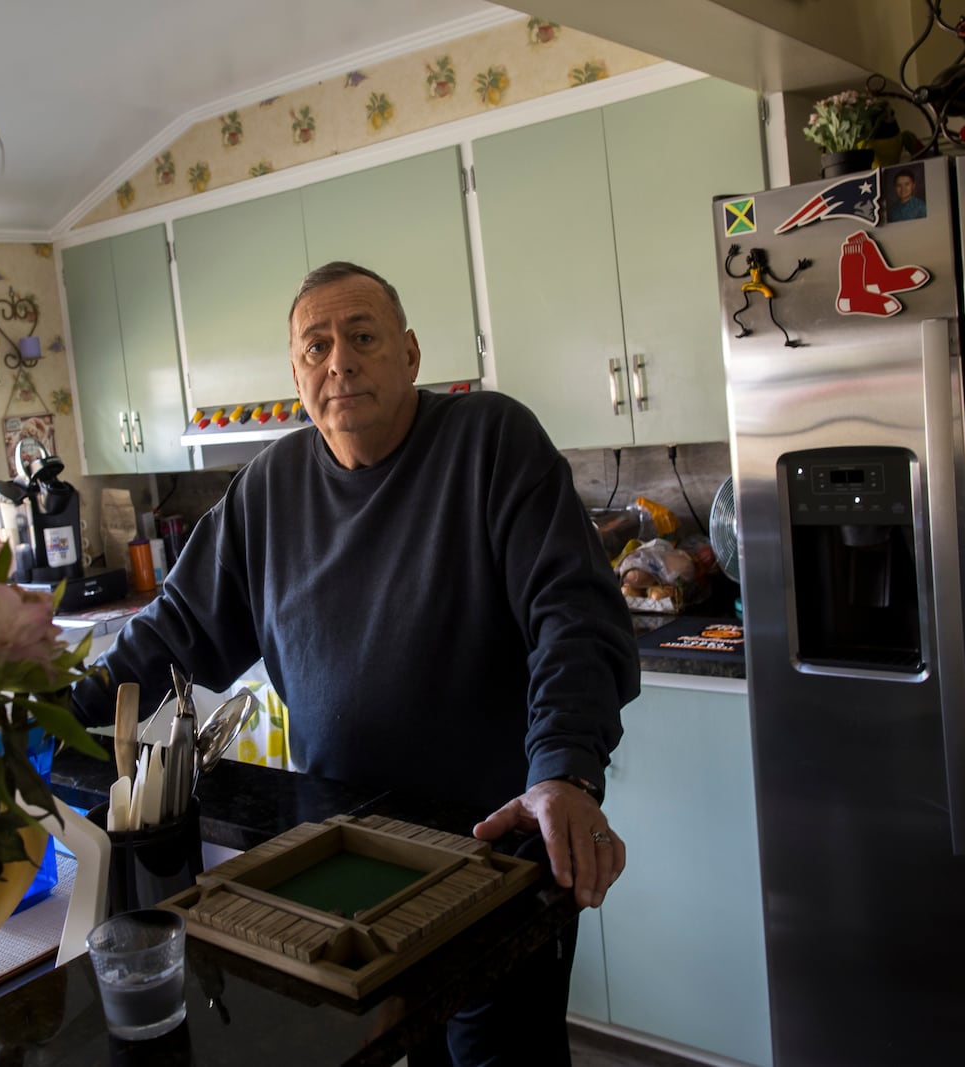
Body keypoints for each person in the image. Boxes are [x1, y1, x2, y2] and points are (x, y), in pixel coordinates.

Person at [72, 261, 641, 1066]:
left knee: (499, 1057)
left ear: (409, 354)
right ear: (297, 376)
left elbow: (575, 617)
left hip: (494, 849)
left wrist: (565, 771)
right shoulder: (267, 489)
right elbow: (175, 630)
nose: (339, 360)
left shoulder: (492, 441)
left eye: (362, 337)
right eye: (316, 346)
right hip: (344, 859)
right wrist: (57, 712)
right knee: (392, 1048)